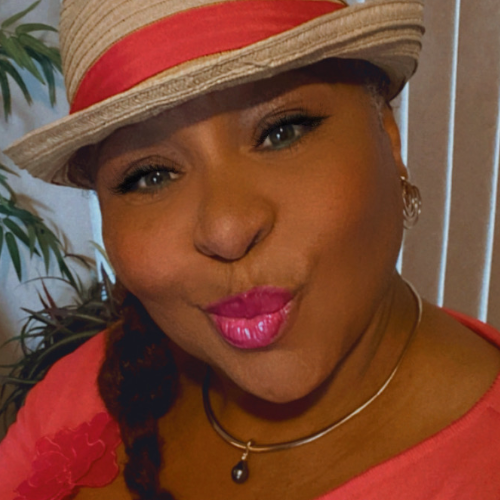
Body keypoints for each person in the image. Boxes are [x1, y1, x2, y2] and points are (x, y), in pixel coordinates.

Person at [2, 0, 500, 498]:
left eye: (282, 132)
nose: (227, 231)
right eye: (150, 176)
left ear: (388, 137)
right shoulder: (88, 385)